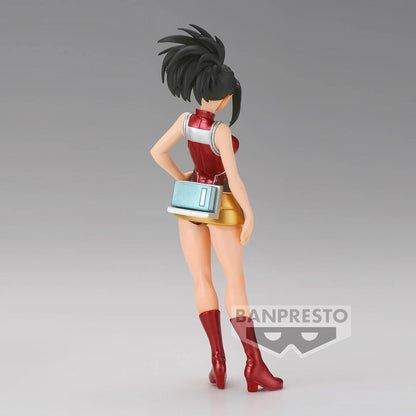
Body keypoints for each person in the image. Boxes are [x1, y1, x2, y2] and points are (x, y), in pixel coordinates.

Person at [150, 24, 283, 392]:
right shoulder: (220, 131)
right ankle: (254, 364)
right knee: (235, 281)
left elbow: (157, 151)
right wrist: (249, 212)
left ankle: (218, 362)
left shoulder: (184, 122)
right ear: (223, 98)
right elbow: (234, 180)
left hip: (190, 204)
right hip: (221, 204)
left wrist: (183, 176)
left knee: (201, 280)